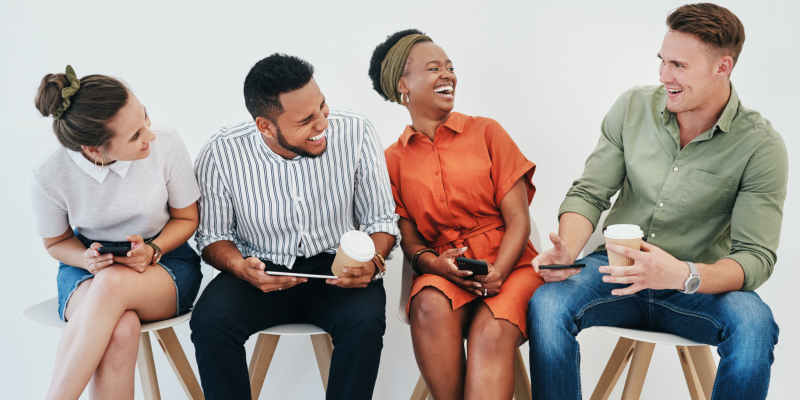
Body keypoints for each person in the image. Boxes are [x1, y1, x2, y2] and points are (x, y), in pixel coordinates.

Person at [528, 4, 787, 399]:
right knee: (547, 305)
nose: (664, 76)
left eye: (679, 65)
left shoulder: (761, 147)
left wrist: (683, 274)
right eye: (662, 61)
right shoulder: (632, 108)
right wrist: (567, 253)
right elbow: (589, 193)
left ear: (723, 67)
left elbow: (755, 258)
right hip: (615, 272)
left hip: (697, 285)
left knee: (755, 325)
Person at [189, 53, 400, 400]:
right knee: (211, 323)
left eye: (322, 107)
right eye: (306, 120)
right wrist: (241, 268)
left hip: (336, 265)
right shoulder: (221, 152)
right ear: (266, 126)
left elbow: (380, 219)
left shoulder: (357, 132)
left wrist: (373, 259)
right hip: (259, 271)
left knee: (364, 322)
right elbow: (214, 237)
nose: (323, 124)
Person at [371, 30, 544, 400]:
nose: (448, 75)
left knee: (490, 331)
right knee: (428, 304)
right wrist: (436, 266)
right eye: (434, 68)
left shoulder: (486, 132)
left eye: (450, 67)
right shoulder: (391, 161)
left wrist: (499, 270)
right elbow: (412, 241)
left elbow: (519, 219)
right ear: (404, 84)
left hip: (512, 265)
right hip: (447, 269)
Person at [28, 66, 203, 400]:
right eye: (135, 135)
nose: (149, 135)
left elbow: (186, 218)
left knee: (112, 284)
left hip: (165, 263)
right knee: (122, 330)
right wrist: (85, 258)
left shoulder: (165, 143)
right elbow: (56, 243)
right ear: (94, 150)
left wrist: (152, 249)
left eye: (145, 118)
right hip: (87, 271)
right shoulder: (48, 173)